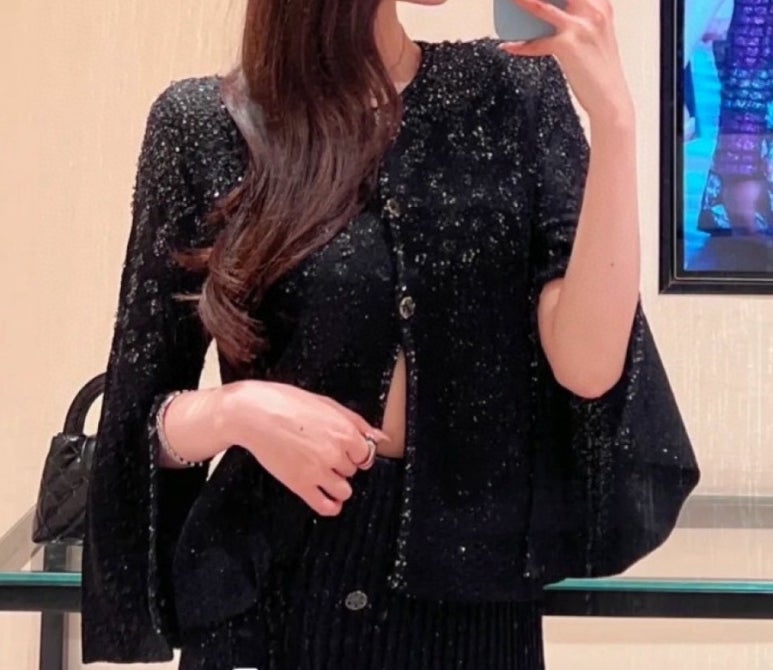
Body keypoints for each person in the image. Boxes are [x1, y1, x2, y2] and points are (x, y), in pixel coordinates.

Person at [81, 0, 699, 668]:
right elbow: (136, 425)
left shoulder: (513, 91)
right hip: (272, 606)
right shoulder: (203, 124)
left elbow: (588, 365)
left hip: (472, 618)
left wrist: (614, 123)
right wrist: (236, 412)